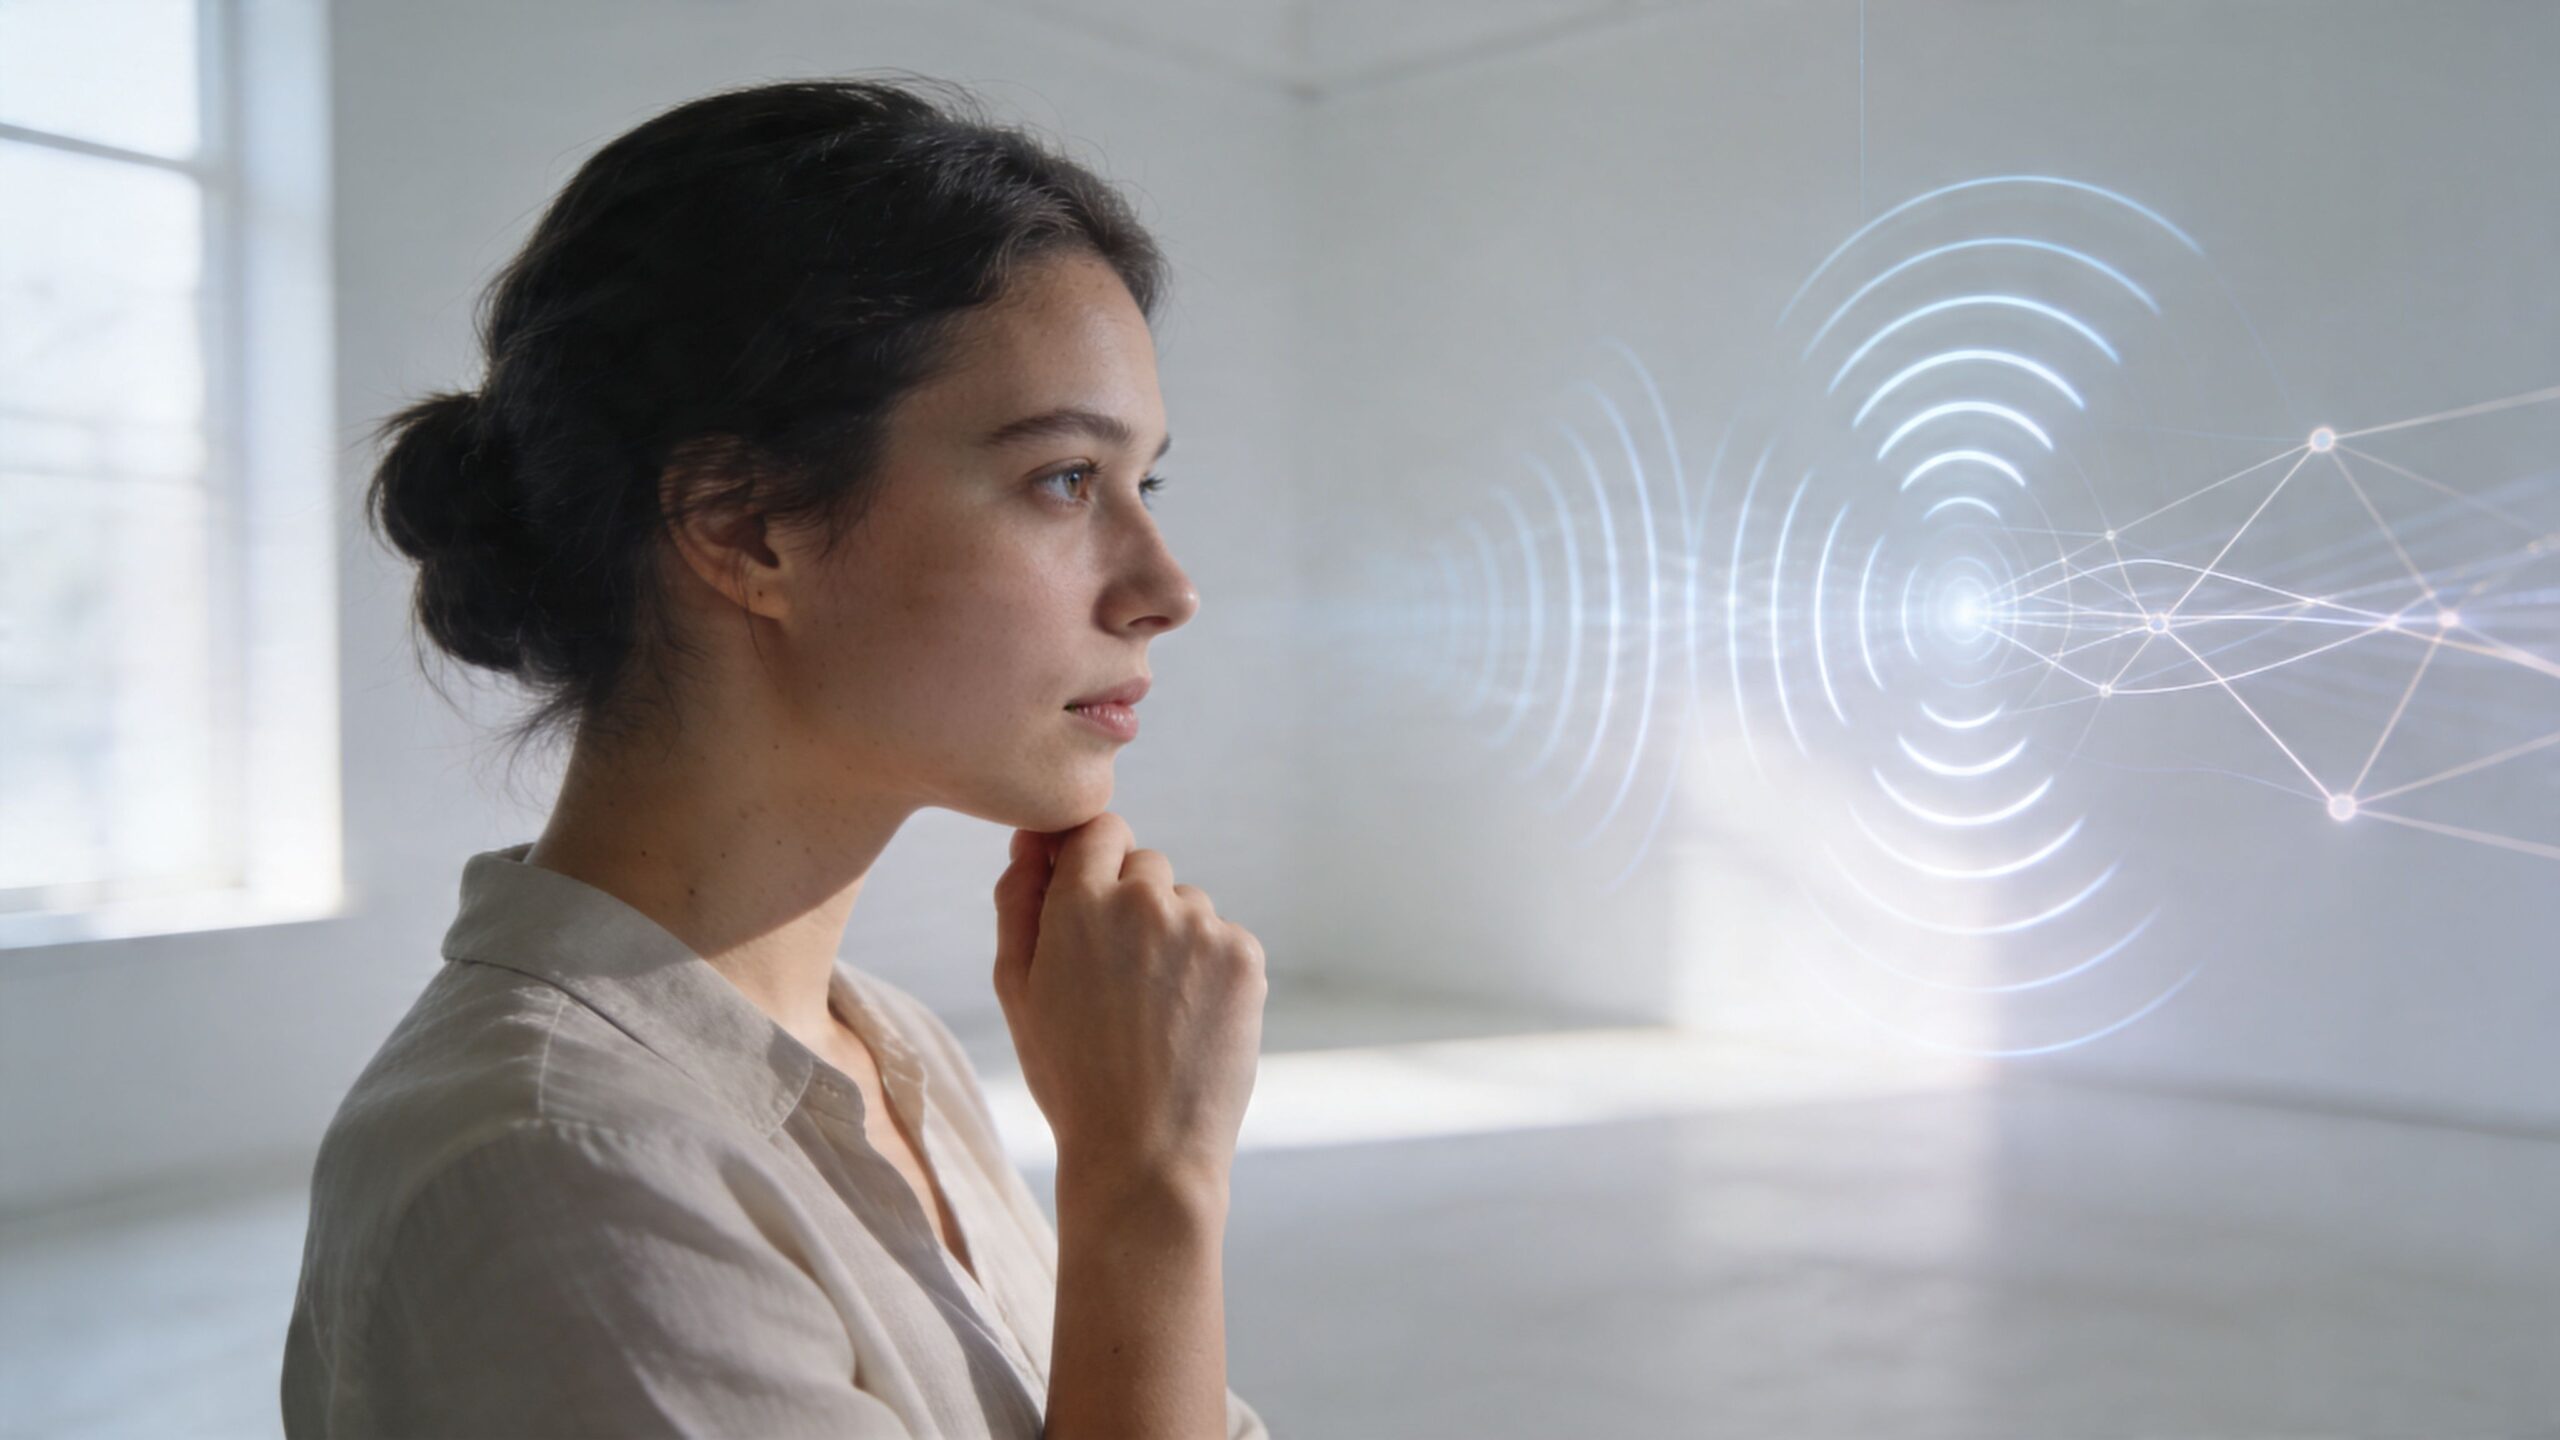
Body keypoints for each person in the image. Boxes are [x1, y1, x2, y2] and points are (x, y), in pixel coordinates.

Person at [281, 75, 1271, 1439]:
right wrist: (1147, 1191)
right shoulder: (559, 1172)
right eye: (1063, 480)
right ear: (745, 529)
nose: (1165, 585)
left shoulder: (883, 1048)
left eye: (1141, 485)